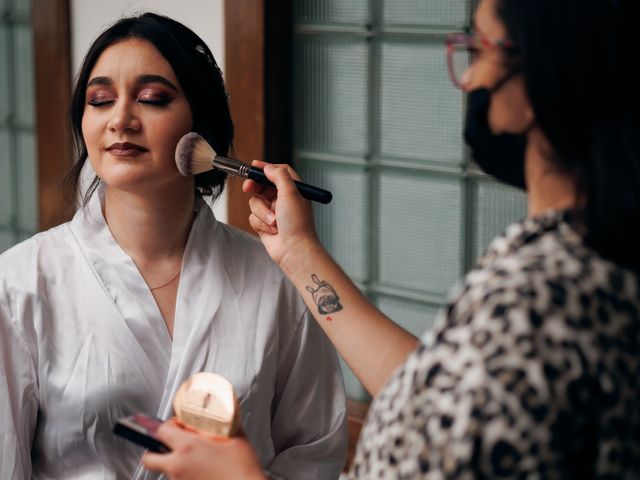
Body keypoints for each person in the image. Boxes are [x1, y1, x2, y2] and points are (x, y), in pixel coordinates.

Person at [142, 0, 640, 478]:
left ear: (543, 74)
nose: (470, 77)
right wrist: (299, 254)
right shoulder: (587, 258)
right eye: (100, 99)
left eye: (478, 48)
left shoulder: (540, 297)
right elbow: (431, 396)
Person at [0, 13, 347, 480]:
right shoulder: (20, 282)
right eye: (100, 100)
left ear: (199, 126)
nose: (121, 119)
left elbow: (313, 451)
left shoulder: (274, 278)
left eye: (151, 99)